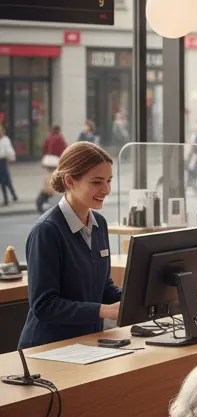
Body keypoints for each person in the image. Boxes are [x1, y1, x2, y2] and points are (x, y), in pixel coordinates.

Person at [19, 142, 121, 349]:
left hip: (86, 343)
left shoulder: (99, 224)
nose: (107, 189)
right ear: (70, 181)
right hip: (46, 348)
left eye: (109, 181)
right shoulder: (47, 231)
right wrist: (104, 310)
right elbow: (44, 305)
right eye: (97, 182)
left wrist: (137, 297)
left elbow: (101, 286)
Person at [37, 124, 68, 213]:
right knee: (55, 180)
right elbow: (65, 148)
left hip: (48, 162)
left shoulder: (48, 137)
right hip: (56, 161)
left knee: (49, 178)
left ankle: (45, 198)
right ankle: (48, 196)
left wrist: (44, 157)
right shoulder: (59, 138)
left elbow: (44, 149)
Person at [0, 125, 16, 206]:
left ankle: (6, 199)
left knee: (4, 181)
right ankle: (14, 195)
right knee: (6, 181)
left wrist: (12, 158)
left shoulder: (5, 140)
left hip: (3, 161)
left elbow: (9, 150)